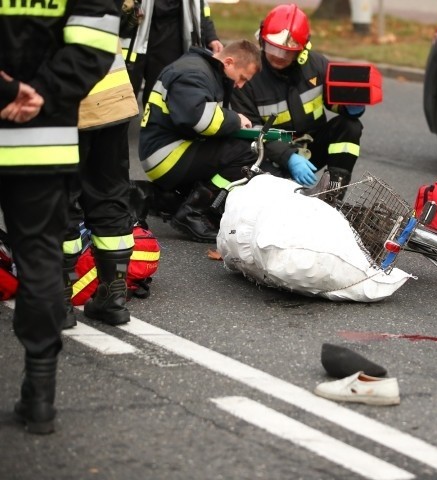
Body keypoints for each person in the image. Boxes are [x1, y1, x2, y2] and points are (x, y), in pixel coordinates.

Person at [0, 0, 119, 434]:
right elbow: (95, 47)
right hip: (41, 140)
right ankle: (40, 395)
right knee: (40, 261)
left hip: (31, 122)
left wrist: (7, 91)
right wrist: (40, 95)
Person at [231, 3, 366, 195]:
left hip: (310, 148)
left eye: (287, 52)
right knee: (281, 197)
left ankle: (333, 194)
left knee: (350, 126)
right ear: (261, 40)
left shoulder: (317, 65)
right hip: (271, 154)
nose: (278, 56)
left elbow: (333, 102)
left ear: (302, 49)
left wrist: (350, 106)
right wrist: (288, 157)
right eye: (273, 48)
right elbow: (250, 130)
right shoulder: (249, 76)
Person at [138, 40, 261, 243]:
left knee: (235, 149)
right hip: (166, 155)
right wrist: (235, 119)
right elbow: (198, 119)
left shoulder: (204, 70)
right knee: (244, 152)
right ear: (229, 62)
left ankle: (169, 199)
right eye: (242, 78)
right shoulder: (194, 74)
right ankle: (192, 214)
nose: (240, 85)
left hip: (171, 148)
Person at [62, 38, 140, 330]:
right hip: (113, 99)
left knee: (59, 199)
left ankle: (59, 301)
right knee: (111, 197)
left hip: (65, 104)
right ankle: (113, 296)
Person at [121, 0, 224, 107]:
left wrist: (211, 36)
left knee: (157, 99)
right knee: (123, 98)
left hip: (170, 41)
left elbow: (201, 9)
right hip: (134, 40)